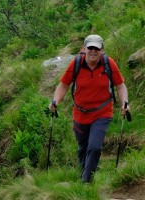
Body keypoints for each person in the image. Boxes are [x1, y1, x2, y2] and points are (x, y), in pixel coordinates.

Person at [49, 34, 130, 183]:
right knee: (83, 148)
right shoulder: (76, 63)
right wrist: (55, 101)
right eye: (90, 48)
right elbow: (64, 85)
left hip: (102, 113)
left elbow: (120, 85)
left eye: (97, 48)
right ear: (84, 49)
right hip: (80, 114)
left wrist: (125, 102)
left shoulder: (108, 64)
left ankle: (86, 183)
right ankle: (83, 175)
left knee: (94, 147)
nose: (93, 51)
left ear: (102, 50)